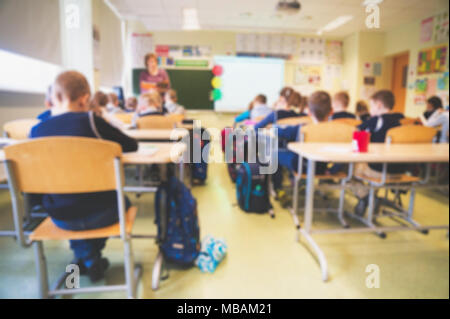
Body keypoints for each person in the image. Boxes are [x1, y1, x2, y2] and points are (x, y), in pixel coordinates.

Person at [29, 70, 138, 282]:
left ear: (53, 98)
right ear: (85, 98)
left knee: (71, 204)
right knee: (120, 201)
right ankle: (90, 257)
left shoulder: (36, 132)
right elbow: (131, 145)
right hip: (103, 213)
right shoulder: (91, 121)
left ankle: (86, 258)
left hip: (60, 217)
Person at [271, 91, 332, 201]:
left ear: (308, 111)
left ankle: (278, 188)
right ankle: (297, 182)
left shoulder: (302, 128)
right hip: (324, 168)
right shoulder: (337, 130)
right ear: (331, 111)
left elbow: (278, 131)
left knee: (274, 154)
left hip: (302, 167)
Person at [352, 90, 405, 215]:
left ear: (379, 105)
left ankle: (366, 196)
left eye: (371, 106)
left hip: (379, 170)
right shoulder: (402, 121)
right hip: (401, 172)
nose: (370, 109)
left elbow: (356, 131)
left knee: (347, 170)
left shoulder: (376, 120)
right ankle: (371, 197)